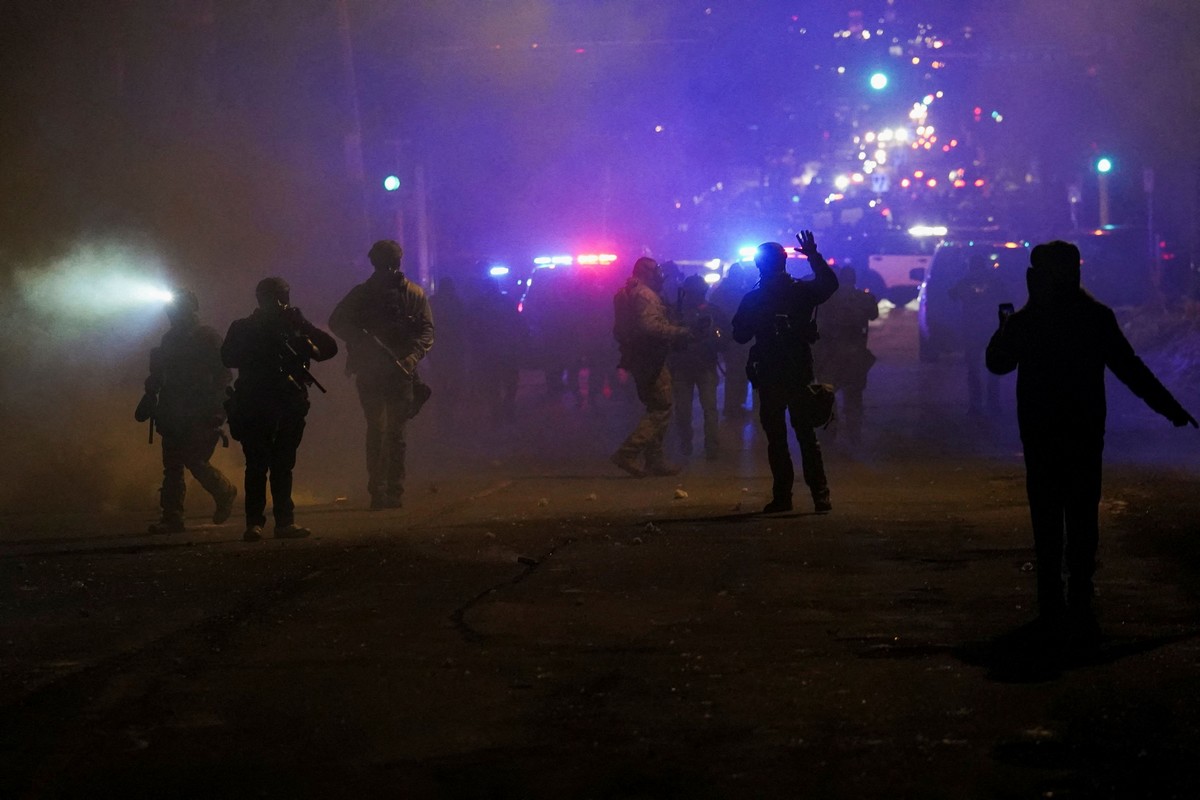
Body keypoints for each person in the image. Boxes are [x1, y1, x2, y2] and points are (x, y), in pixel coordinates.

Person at [986, 240, 1197, 639]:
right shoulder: (1094, 317)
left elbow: (998, 363)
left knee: (1047, 518)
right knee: (1082, 515)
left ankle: (1052, 602)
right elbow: (1130, 369)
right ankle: (1080, 598)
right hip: (1083, 432)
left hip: (1042, 434)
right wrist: (1169, 408)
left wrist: (1006, 326)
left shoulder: (1029, 321)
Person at [221, 277, 338, 541]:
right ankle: (255, 522)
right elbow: (227, 357)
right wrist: (258, 344)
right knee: (257, 464)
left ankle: (283, 521)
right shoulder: (244, 327)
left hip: (287, 400)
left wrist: (302, 328)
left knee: (282, 463)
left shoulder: (293, 324)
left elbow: (329, 348)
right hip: (255, 401)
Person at [731, 232, 838, 513]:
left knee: (777, 439)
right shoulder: (800, 292)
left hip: (770, 372)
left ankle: (783, 497)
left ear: (759, 265)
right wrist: (813, 255)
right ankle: (820, 496)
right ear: (784, 261)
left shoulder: (755, 297)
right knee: (806, 436)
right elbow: (829, 284)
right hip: (798, 369)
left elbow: (740, 335)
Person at [329, 240, 435, 509]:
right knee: (381, 431)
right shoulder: (365, 294)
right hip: (373, 370)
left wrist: (411, 358)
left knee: (391, 433)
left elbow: (426, 331)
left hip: (399, 370)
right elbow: (338, 322)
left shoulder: (409, 293)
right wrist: (363, 342)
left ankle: (390, 490)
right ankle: (381, 490)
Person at [135, 289, 237, 534]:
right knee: (173, 466)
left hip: (200, 409)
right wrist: (151, 392)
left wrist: (217, 409)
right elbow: (160, 373)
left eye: (175, 309)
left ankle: (224, 491)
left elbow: (223, 375)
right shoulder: (170, 339)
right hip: (173, 409)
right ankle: (172, 517)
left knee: (195, 460)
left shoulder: (207, 337)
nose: (171, 314)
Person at [611, 257, 693, 477]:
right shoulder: (645, 295)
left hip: (638, 356)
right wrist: (679, 332)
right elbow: (650, 327)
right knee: (661, 407)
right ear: (646, 272)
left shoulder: (626, 292)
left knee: (655, 405)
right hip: (650, 357)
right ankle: (628, 452)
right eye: (655, 270)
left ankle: (655, 459)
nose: (659, 275)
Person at [813, 265, 879, 445]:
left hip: (829, 356)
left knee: (826, 394)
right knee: (854, 397)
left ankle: (828, 434)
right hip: (855, 356)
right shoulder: (863, 298)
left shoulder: (827, 299)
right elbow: (874, 314)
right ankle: (854, 434)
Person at [668, 274, 728, 459]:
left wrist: (713, 341)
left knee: (705, 409)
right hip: (685, 366)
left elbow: (725, 338)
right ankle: (692, 445)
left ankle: (708, 447)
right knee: (686, 411)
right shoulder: (677, 312)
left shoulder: (712, 311)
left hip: (702, 365)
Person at [949, 253, 1003, 415]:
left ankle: (975, 404)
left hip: (972, 329)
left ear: (970, 265)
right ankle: (993, 404)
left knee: (973, 368)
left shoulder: (965, 281)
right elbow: (1006, 301)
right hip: (992, 329)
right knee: (993, 368)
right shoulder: (995, 281)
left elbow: (952, 295)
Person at [711, 261, 756, 417]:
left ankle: (734, 405)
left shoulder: (720, 292)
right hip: (734, 339)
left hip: (730, 338)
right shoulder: (735, 293)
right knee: (736, 373)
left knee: (735, 373)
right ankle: (733, 407)